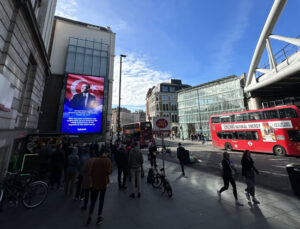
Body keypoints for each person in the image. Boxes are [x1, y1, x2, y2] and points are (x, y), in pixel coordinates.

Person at [87, 150, 112, 225]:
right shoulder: (107, 161)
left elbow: (91, 172)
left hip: (95, 183)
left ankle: (90, 216)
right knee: (101, 200)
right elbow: (110, 171)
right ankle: (99, 217)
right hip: (103, 182)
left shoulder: (96, 161)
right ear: (106, 153)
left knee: (93, 200)